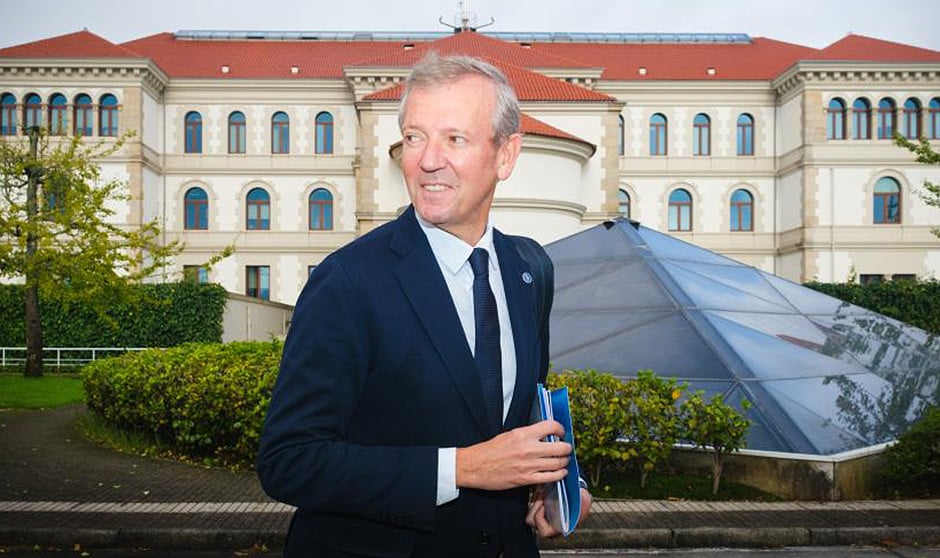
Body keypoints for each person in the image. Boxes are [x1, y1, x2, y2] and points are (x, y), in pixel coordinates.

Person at [257, 53, 591, 557]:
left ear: (506, 155)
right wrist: (463, 468)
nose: (427, 159)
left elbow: (519, 415)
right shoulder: (346, 281)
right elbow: (289, 461)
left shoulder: (530, 268)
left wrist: (560, 485)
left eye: (455, 138)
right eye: (415, 137)